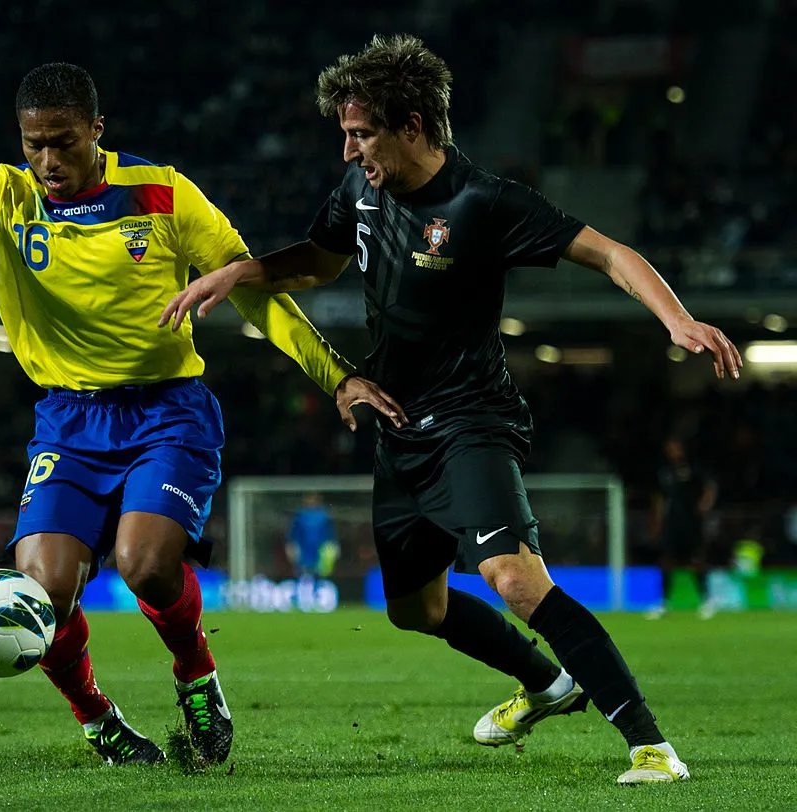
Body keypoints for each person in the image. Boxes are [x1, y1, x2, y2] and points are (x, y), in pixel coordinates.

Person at [160, 34, 744, 784]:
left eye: (360, 133)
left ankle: (651, 747)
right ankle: (547, 684)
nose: (347, 151)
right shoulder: (361, 193)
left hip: (472, 421)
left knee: (512, 577)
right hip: (398, 430)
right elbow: (320, 258)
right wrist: (243, 271)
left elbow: (606, 252)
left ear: (412, 126)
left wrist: (676, 319)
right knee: (415, 608)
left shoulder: (484, 202)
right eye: (344, 133)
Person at [0, 62, 405, 768]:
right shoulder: (1, 199)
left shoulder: (161, 192)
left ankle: (198, 682)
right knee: (45, 593)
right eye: (35, 145)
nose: (49, 161)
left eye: (64, 142)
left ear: (97, 130)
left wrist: (335, 375)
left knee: (145, 565)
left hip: (167, 411)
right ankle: (99, 720)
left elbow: (254, 290)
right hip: (68, 420)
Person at [647, 436, 718, 619]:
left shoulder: (694, 468)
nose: (673, 451)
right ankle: (664, 603)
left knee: (697, 561)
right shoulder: (664, 472)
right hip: (672, 523)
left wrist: (705, 505)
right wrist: (657, 521)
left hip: (692, 522)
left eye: (676, 447)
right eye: (670, 448)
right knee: (667, 561)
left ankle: (706, 600)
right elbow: (659, 498)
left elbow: (710, 487)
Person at [286, 492, 340, 578]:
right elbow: (293, 537)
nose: (310, 501)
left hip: (321, 557)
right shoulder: (299, 517)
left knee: (320, 577)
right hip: (303, 558)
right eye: (308, 498)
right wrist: (291, 549)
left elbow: (331, 537)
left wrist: (333, 550)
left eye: (313, 498)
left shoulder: (324, 516)